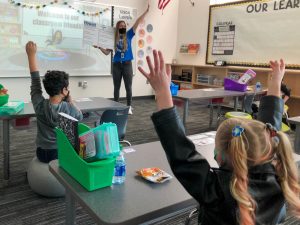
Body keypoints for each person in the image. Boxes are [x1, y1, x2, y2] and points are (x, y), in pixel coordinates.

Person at [138, 51, 300, 225]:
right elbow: (268, 130)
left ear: (219, 157)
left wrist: (162, 90)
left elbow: (181, 153)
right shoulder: (279, 175)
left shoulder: (217, 190)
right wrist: (276, 83)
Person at [26, 41, 83, 163]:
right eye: (67, 88)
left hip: (42, 152)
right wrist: (70, 101)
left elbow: (35, 82)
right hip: (59, 153)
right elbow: (80, 116)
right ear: (64, 90)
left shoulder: (39, 105)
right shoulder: (68, 108)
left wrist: (31, 55)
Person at [93, 4, 150, 115]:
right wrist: (99, 47)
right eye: (120, 26)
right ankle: (116, 106)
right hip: (116, 65)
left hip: (127, 64)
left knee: (128, 87)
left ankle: (128, 107)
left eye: (124, 25)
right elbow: (106, 53)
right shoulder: (113, 38)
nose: (123, 27)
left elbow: (138, 22)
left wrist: (146, 11)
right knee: (116, 87)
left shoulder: (129, 34)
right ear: (117, 27)